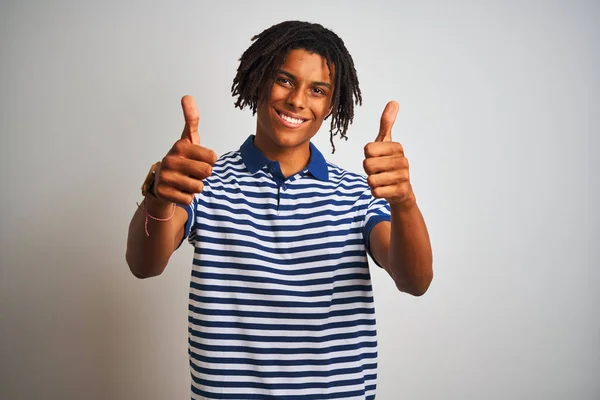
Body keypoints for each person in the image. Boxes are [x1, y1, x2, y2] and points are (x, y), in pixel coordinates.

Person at [126, 20, 433, 400]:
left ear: (331, 106)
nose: (297, 100)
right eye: (284, 80)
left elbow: (414, 281)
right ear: (258, 79)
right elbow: (144, 265)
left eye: (317, 90)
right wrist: (159, 194)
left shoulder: (357, 193)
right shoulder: (203, 180)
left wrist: (404, 202)